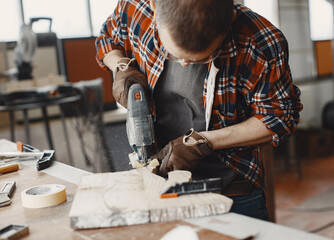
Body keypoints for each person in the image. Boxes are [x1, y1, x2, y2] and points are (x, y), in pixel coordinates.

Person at [96, 0, 303, 221]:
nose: (184, 64)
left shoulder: (261, 42)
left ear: (230, 20)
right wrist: (121, 67)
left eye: (202, 58)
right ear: (155, 10)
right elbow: (107, 39)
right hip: (158, 186)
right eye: (174, 55)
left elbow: (280, 117)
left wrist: (203, 142)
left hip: (231, 191)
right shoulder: (136, 7)